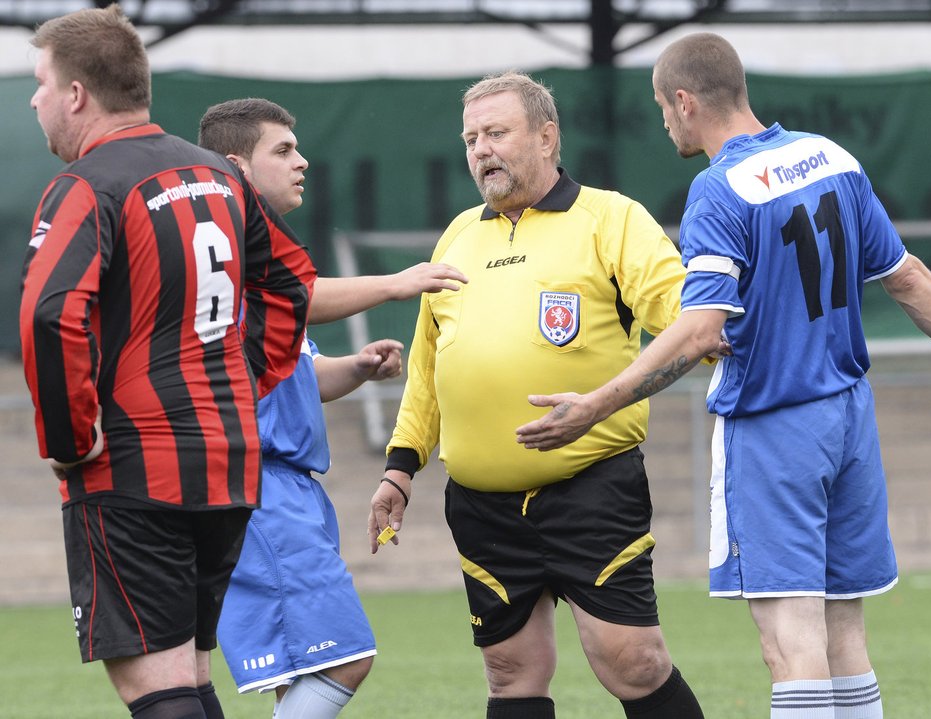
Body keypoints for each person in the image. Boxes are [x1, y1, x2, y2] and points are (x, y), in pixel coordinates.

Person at [513, 32, 931, 719]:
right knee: (842, 631)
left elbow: (700, 329)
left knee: (790, 641)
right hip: (848, 418)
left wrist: (595, 405)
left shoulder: (718, 191)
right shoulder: (832, 159)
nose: (666, 123)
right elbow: (905, 277)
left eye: (663, 109)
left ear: (684, 100)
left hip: (774, 425)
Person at [368, 71, 706, 719]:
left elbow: (688, 327)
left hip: (591, 486)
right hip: (480, 503)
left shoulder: (613, 218)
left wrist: (604, 401)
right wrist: (400, 467)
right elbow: (429, 364)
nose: (480, 150)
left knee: (632, 659)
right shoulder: (460, 234)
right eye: (471, 138)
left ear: (547, 136)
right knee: (510, 671)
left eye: (496, 132)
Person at [19, 6, 316, 719]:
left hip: (134, 471)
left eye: (41, 83)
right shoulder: (216, 172)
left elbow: (49, 313)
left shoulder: (86, 186)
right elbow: (290, 280)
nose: (34, 100)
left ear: (78, 94)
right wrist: (244, 378)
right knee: (184, 669)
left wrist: (69, 438)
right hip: (226, 462)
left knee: (154, 683)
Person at [198, 97, 467, 717]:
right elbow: (304, 298)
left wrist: (357, 368)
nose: (303, 162)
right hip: (259, 489)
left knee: (305, 673)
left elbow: (304, 373)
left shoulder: (260, 251)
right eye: (283, 151)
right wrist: (400, 281)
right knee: (344, 659)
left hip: (287, 488)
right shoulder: (221, 249)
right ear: (236, 166)